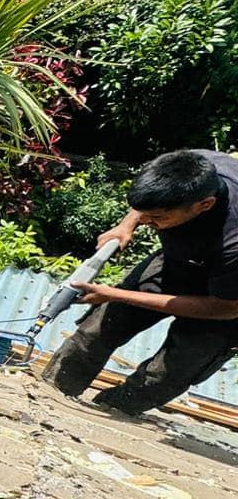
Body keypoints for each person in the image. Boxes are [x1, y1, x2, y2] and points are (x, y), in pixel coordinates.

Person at [44, 149, 238, 415]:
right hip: (177, 263)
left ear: (204, 204)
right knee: (97, 331)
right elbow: (146, 203)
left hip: (226, 303)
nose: (146, 221)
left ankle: (111, 414)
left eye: (157, 218)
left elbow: (225, 307)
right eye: (144, 214)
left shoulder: (233, 241)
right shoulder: (189, 166)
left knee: (165, 374)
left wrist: (115, 294)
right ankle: (50, 393)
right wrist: (126, 225)